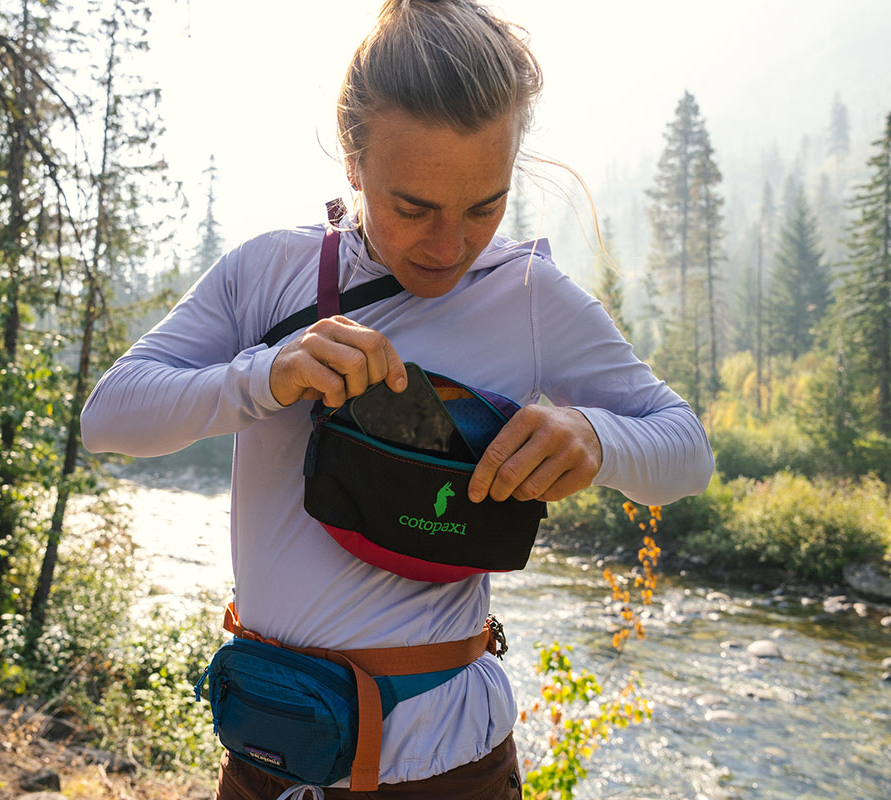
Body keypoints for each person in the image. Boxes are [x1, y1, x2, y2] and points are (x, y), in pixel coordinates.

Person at [81, 1, 714, 797]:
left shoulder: (530, 297)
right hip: (273, 756)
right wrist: (265, 375)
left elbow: (687, 452)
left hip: (451, 770)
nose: (448, 246)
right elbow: (109, 417)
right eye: (412, 207)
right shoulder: (264, 275)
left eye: (485, 206)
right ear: (353, 160)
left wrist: (598, 438)